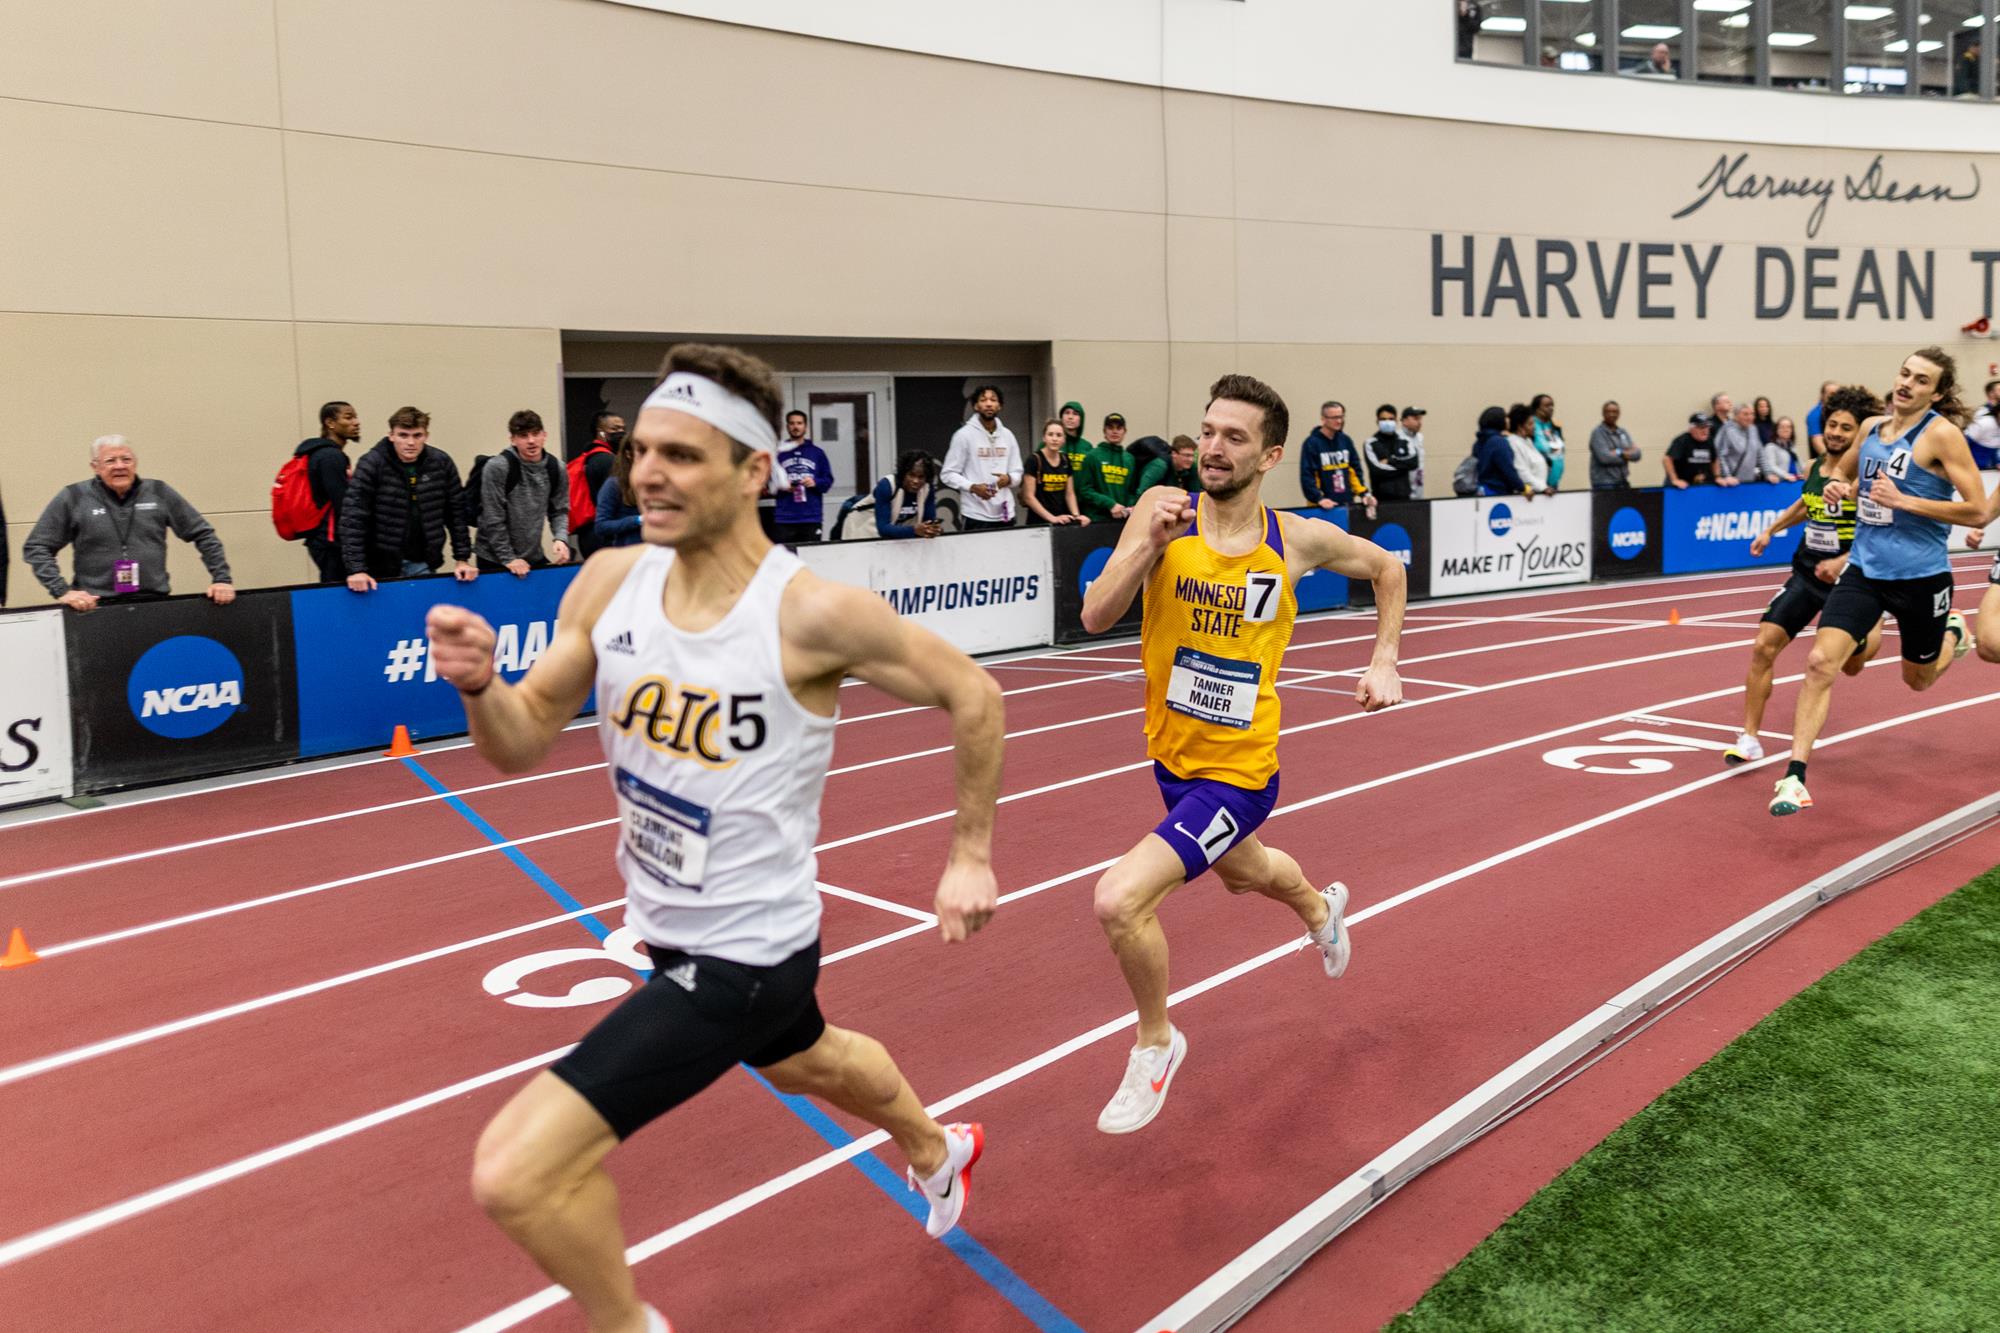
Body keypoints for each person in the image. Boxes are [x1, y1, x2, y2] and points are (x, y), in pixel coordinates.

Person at [431, 342, 1001, 1333]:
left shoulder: (811, 613)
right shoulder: (607, 583)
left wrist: (968, 854)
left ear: (751, 471)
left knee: (518, 1172)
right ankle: (936, 1147)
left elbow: (975, 693)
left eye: (683, 455)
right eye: (643, 450)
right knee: (811, 1058)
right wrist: (482, 686)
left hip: (749, 952)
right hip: (666, 929)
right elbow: (518, 743)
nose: (648, 473)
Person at [1078, 372, 1404, 1134]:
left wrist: (1385, 658)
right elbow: (1094, 615)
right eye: (1208, 431)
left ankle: (1157, 1042)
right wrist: (1146, 547)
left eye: (1234, 437)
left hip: (1241, 772)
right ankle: (1320, 908)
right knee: (1245, 873)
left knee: (1120, 899)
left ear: (1270, 456)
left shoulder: (1295, 539)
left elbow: (1388, 567)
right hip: (1173, 760)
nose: (1214, 448)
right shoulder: (1163, 515)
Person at [1771, 349, 1982, 817]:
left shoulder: (1942, 436)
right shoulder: (1869, 429)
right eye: (1905, 373)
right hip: (1865, 571)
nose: (1907, 383)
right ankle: (1794, 777)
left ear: (1937, 393)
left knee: (1918, 681)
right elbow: (1842, 472)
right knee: (1820, 662)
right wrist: (1838, 486)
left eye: (1921, 380)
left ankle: (1953, 633)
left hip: (1921, 577)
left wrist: (1905, 501)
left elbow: (1978, 511)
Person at [1724, 387, 1882, 766]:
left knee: (1851, 665)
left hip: (1851, 578)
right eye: (1832, 425)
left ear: (1860, 433)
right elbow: (1805, 505)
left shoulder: (1864, 474)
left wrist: (1844, 559)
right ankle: (1749, 739)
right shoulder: (1813, 467)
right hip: (1808, 571)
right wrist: (1771, 529)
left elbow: (1880, 528)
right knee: (1763, 646)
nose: (1836, 433)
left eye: (1846, 428)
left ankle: (1868, 631)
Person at [23, 435, 235, 611]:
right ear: (95, 467)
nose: (120, 466)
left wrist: (222, 579)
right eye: (110, 461)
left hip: (154, 603)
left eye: (126, 459)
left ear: (135, 463)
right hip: (94, 607)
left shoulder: (159, 492)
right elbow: (37, 547)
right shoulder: (74, 497)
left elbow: (203, 534)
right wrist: (62, 591)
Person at [341, 406, 478, 592]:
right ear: (391, 435)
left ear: (426, 436)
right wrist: (356, 569)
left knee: (422, 608)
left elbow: (456, 514)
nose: (410, 443)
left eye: (417, 435)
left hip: (423, 559)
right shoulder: (372, 463)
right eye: (403, 435)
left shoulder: (440, 462)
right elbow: (353, 517)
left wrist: (462, 559)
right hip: (378, 563)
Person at [478, 410, 573, 576]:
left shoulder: (556, 468)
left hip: (532, 555)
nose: (531, 441)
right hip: (493, 557)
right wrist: (509, 559)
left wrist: (560, 538)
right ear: (513, 440)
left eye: (535, 434)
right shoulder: (498, 467)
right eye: (523, 436)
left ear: (544, 435)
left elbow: (559, 510)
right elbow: (493, 518)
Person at [291, 400, 360, 582]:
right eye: (348, 417)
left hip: (323, 539)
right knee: (336, 590)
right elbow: (342, 503)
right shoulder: (330, 456)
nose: (356, 422)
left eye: (355, 417)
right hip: (330, 541)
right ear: (330, 423)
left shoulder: (321, 453)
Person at [941, 386, 1021, 532]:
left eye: (993, 400)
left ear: (1000, 406)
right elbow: (948, 474)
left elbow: (1018, 472)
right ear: (976, 406)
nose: (989, 404)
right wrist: (973, 487)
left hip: (1005, 512)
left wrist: (1009, 479)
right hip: (975, 514)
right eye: (983, 400)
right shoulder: (963, 435)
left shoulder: (1008, 435)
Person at [1297, 401, 1375, 518]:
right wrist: (1319, 498)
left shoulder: (1345, 440)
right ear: (1323, 419)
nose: (1339, 421)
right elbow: (1307, 475)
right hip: (1322, 507)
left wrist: (1364, 493)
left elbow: (1354, 470)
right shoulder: (1311, 443)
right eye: (1334, 417)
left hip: (1346, 503)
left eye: (1341, 417)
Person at [773, 410, 834, 544]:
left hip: (811, 517)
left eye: (799, 423)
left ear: (806, 426)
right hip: (784, 518)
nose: (796, 427)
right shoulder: (778, 453)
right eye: (792, 423)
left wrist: (815, 482)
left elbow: (828, 481)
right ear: (787, 426)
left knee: (811, 554)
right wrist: (782, 485)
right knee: (786, 556)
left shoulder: (817, 453)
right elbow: (767, 481)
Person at [570, 412, 626, 558]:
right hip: (605, 537)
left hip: (588, 535)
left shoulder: (589, 456)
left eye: (622, 428)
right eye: (614, 429)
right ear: (600, 432)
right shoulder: (607, 460)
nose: (621, 433)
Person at [1077, 412, 1140, 521]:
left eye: (1119, 428)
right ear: (1104, 431)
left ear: (1124, 432)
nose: (1115, 431)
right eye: (1110, 428)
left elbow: (1132, 491)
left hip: (1122, 520)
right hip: (1097, 520)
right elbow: (1085, 490)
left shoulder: (1129, 459)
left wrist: (1129, 507)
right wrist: (1110, 504)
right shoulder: (1092, 456)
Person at [1022, 419, 1087, 526]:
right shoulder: (1034, 460)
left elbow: (1069, 493)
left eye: (1059, 435)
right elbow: (1028, 497)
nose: (1054, 439)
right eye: (1050, 434)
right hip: (1038, 523)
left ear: (1064, 439)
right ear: (1044, 438)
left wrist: (1076, 516)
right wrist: (1052, 518)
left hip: (1061, 521)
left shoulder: (1065, 460)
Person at [872, 451, 943, 539]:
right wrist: (913, 530)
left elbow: (928, 522)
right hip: (867, 534)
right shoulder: (886, 485)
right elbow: (883, 529)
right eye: (911, 475)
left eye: (921, 477)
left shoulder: (927, 488)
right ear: (903, 474)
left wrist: (933, 529)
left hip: (899, 537)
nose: (915, 481)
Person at [594, 434, 643, 549]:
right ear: (628, 454)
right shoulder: (614, 484)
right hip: (629, 551)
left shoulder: (657, 482)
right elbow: (601, 526)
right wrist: (638, 520)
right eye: (641, 451)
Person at [1363, 404, 1420, 502]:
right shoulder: (1371, 443)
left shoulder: (1405, 441)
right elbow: (1377, 470)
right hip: (1381, 499)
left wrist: (1390, 461)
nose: (1387, 422)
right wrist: (1403, 468)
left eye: (1390, 419)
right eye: (1383, 419)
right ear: (1377, 421)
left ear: (1396, 421)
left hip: (1404, 497)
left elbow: (1414, 462)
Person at [1473, 405, 1527, 495]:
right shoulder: (1499, 442)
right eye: (1506, 417)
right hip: (1498, 491)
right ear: (1498, 420)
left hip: (1483, 490)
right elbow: (1508, 469)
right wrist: (1523, 488)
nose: (1508, 420)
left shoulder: (1479, 442)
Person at [1588, 401, 1641, 488]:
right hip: (1604, 483)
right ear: (1603, 413)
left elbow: (1637, 454)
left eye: (1615, 412)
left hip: (1623, 482)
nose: (1612, 414)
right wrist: (1627, 455)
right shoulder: (1598, 433)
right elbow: (1605, 458)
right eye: (1608, 412)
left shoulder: (1623, 432)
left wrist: (1618, 452)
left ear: (1619, 414)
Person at [1508, 403, 1553, 495]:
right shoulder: (1513, 443)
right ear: (1520, 426)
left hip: (1539, 492)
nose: (1534, 427)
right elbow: (1522, 472)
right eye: (1530, 424)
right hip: (1527, 496)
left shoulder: (1528, 441)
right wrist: (1543, 488)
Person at [1715, 402, 1762, 487]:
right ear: (1736, 416)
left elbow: (1760, 454)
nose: (1750, 417)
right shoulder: (1727, 430)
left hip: (1749, 482)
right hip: (1730, 483)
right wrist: (1727, 476)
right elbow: (1720, 455)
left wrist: (1768, 473)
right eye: (1745, 414)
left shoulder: (1753, 429)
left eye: (1752, 414)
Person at [1663, 414, 1716, 488]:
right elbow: (1667, 459)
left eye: (1707, 427)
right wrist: (1675, 480)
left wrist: (1717, 476)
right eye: (1701, 427)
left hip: (1700, 483)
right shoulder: (1682, 440)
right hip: (1681, 484)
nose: (1705, 431)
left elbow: (1715, 459)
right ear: (1691, 429)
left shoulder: (1710, 441)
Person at [1528, 394, 1566, 488]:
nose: (1551, 408)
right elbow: (1541, 447)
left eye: (1552, 405)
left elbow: (1560, 448)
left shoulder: (1554, 426)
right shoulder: (1531, 425)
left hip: (1554, 480)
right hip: (1537, 481)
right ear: (1537, 409)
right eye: (1547, 406)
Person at [1965, 378, 2000, 469]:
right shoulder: (1983, 417)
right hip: (1976, 465)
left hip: (1992, 464)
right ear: (1991, 393)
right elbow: (1965, 442)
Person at [1805, 380, 1841, 460]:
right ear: (1822, 396)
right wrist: (1833, 461)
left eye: (1838, 394)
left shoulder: (1841, 413)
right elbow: (1817, 442)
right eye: (1831, 394)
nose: (1835, 397)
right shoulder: (1815, 414)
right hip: (1822, 461)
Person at [1762, 417, 1803, 482]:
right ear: (1776, 430)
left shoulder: (1792, 447)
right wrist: (1786, 475)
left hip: (1796, 481)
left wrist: (1804, 473)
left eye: (1789, 427)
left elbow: (1800, 464)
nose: (1786, 430)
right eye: (1782, 427)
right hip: (1781, 483)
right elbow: (1771, 466)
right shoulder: (1770, 447)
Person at [1398, 407, 1428, 498]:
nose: (1419, 422)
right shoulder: (1398, 438)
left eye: (1420, 419)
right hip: (1403, 492)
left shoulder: (1419, 437)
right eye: (1415, 419)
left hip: (1418, 488)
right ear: (1404, 421)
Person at [1060, 401, 1091, 475]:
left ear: (1081, 419)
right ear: (1061, 418)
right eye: (1067, 413)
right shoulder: (1052, 443)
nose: (1070, 417)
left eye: (1075, 414)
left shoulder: (1087, 447)